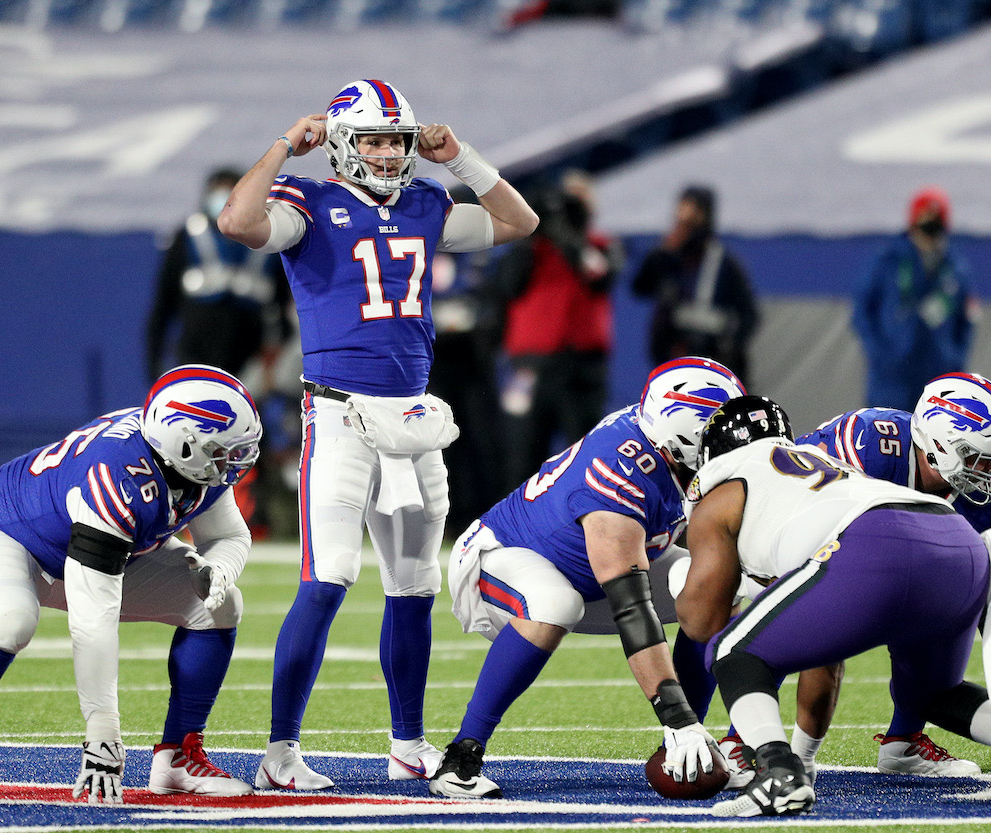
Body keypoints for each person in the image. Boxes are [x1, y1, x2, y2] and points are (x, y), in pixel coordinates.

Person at [216, 79, 539, 790]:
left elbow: (520, 222)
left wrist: (463, 159)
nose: (389, 153)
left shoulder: (426, 203)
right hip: (338, 413)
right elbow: (237, 223)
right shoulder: (311, 202)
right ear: (340, 144)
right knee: (327, 578)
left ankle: (407, 743)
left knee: (415, 585)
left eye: (396, 139)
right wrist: (280, 146)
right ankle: (279, 752)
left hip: (414, 416)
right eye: (373, 139)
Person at [674, 395, 991, 817]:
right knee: (931, 693)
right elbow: (823, 660)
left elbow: (703, 624)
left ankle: (777, 772)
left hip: (875, 542)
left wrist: (677, 577)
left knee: (733, 652)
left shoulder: (723, 492)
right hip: (959, 542)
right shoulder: (814, 461)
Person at [0, 365, 262, 803]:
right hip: (3, 530)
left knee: (219, 606)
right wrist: (102, 734)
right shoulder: (117, 478)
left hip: (87, 546)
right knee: (10, 620)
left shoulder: (181, 457)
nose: (236, 461)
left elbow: (228, 536)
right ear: (185, 445)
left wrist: (218, 569)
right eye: (225, 451)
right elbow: (94, 619)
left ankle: (179, 759)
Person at [427, 357, 745, 798]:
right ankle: (462, 756)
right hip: (505, 555)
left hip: (599, 568)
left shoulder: (664, 438)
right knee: (554, 603)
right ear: (683, 432)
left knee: (720, 588)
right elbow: (632, 605)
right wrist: (674, 714)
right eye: (716, 430)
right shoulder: (619, 472)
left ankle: (690, 745)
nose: (728, 440)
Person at [492, 172, 621, 488]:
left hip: (582, 369)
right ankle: (515, 531)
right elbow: (508, 285)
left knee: (584, 455)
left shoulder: (601, 246)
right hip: (532, 367)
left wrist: (567, 235)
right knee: (523, 452)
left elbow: (600, 275)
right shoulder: (531, 250)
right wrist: (531, 230)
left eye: (578, 199)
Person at [145, 167, 290, 384]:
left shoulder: (267, 240)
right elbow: (163, 305)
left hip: (250, 354)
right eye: (218, 192)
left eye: (231, 192)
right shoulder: (187, 238)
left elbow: (282, 306)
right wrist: (154, 362)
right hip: (195, 351)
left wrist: (276, 355)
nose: (223, 200)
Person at [852, 186, 975, 410]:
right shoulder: (889, 262)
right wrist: (879, 353)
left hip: (938, 377)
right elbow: (861, 310)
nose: (929, 236)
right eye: (924, 226)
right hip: (891, 378)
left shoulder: (954, 269)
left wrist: (954, 360)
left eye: (935, 227)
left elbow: (966, 320)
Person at [630, 184, 758, 388]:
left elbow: (749, 315)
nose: (683, 225)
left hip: (714, 367)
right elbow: (640, 287)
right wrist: (661, 255)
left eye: (692, 218)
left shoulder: (725, 264)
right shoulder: (668, 259)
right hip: (673, 366)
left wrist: (727, 347)